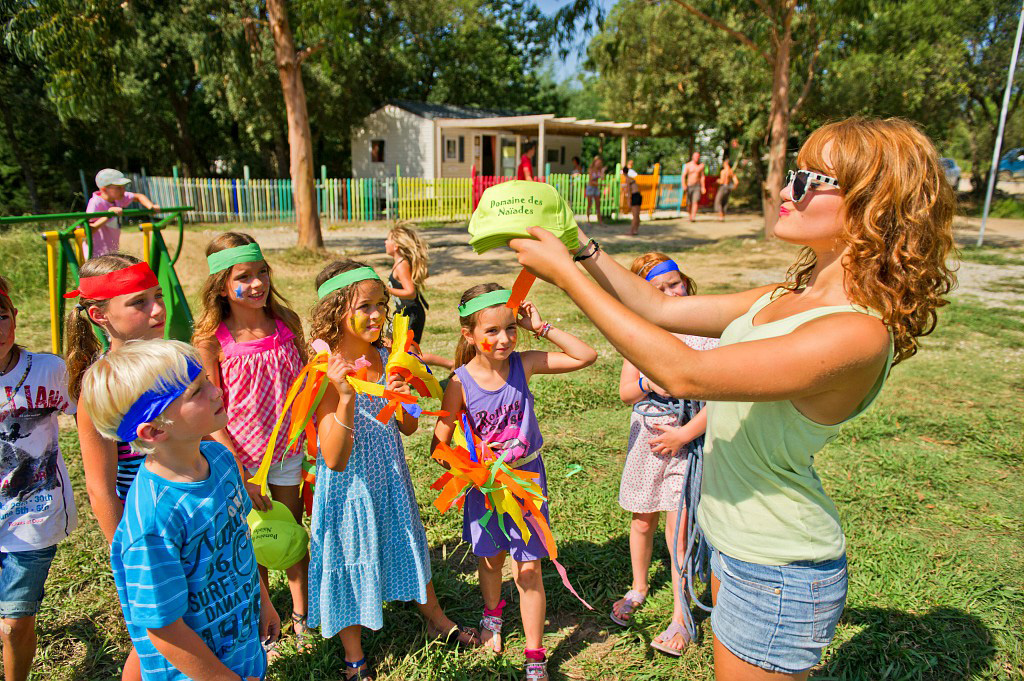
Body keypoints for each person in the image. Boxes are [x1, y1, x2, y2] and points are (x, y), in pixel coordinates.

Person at [508, 117, 956, 679]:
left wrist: (565, 279)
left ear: (873, 207)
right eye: (794, 171)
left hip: (778, 561)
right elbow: (662, 310)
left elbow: (686, 372)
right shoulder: (787, 295)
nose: (785, 189)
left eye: (811, 178)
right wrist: (581, 249)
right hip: (735, 540)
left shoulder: (856, 332)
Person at [306, 260, 479, 681]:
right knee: (349, 558)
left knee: (407, 543)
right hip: (349, 488)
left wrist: (401, 400)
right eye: (365, 306)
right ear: (334, 309)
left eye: (381, 304)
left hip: (389, 477)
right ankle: (353, 651)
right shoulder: (326, 369)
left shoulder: (388, 355)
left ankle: (435, 617)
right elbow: (332, 458)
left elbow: (409, 426)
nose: (377, 314)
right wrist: (345, 397)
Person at [81, 339, 281, 681]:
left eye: (206, 379)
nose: (216, 391)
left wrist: (263, 598)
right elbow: (164, 629)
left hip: (241, 647)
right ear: (154, 430)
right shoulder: (154, 522)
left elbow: (240, 543)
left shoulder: (221, 461)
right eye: (197, 391)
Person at [432, 284, 597, 681]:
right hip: (485, 487)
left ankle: (535, 653)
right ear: (468, 334)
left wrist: (541, 327)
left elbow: (586, 356)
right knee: (489, 560)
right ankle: (493, 617)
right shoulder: (458, 382)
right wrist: (471, 458)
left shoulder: (524, 364)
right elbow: (439, 441)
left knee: (529, 570)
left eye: (510, 328)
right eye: (491, 331)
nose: (504, 339)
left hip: (526, 482)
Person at [191, 232, 311, 655]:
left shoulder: (286, 323)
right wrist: (238, 470)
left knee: (291, 531)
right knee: (254, 540)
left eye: (262, 272)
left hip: (288, 453)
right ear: (221, 284)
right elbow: (209, 408)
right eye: (244, 276)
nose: (257, 283)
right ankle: (264, 615)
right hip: (241, 460)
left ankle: (302, 613)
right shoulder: (212, 340)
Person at [610, 253, 716, 657]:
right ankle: (638, 587)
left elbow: (721, 400)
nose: (673, 293)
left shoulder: (708, 333)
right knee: (641, 521)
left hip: (686, 443)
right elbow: (626, 392)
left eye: (677, 284)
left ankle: (680, 615)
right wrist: (649, 380)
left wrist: (684, 434)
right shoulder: (639, 335)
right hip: (647, 442)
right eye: (661, 289)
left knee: (678, 531)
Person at [66, 253, 165, 681]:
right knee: (154, 636)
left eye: (158, 297)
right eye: (139, 303)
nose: (158, 310)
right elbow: (101, 487)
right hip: (145, 529)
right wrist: (127, 552)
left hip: (192, 514)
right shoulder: (99, 388)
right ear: (99, 316)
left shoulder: (172, 364)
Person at [0, 276, 78, 681]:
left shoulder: (48, 371)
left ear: (14, 317)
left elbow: (92, 416)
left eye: (0, 316)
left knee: (13, 624)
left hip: (32, 520)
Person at [384, 224, 452, 370]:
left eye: (387, 240)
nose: (385, 243)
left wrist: (388, 290)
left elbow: (411, 292)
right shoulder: (400, 263)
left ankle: (450, 364)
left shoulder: (402, 265)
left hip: (410, 314)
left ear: (395, 246)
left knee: (410, 353)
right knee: (388, 345)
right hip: (402, 314)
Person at [86, 169, 160, 257]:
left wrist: (151, 207)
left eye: (123, 187)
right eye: (118, 187)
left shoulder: (118, 199)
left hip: (111, 251)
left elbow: (139, 196)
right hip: (95, 254)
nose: (123, 190)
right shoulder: (96, 202)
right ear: (104, 189)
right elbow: (89, 230)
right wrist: (109, 215)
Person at [682, 153, 706, 222]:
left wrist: (703, 187)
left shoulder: (701, 166)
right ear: (693, 157)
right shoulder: (688, 165)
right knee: (689, 203)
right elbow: (683, 176)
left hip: (697, 186)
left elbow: (702, 177)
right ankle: (690, 215)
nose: (697, 158)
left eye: (698, 156)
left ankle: (693, 217)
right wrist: (684, 184)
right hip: (689, 185)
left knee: (695, 201)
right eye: (696, 156)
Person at [622, 160, 642, 236]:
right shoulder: (631, 178)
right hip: (639, 195)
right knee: (637, 215)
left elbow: (629, 191)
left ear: (623, 172)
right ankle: (636, 230)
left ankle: (631, 232)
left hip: (635, 196)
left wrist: (628, 201)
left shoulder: (627, 179)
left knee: (634, 216)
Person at [586, 156, 605, 226]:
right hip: (590, 188)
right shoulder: (591, 170)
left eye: (600, 163)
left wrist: (602, 171)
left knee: (598, 205)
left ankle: (600, 221)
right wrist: (600, 184)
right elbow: (591, 181)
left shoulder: (599, 170)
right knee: (589, 204)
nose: (599, 164)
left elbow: (602, 178)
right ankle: (588, 221)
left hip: (596, 188)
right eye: (598, 162)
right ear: (595, 162)